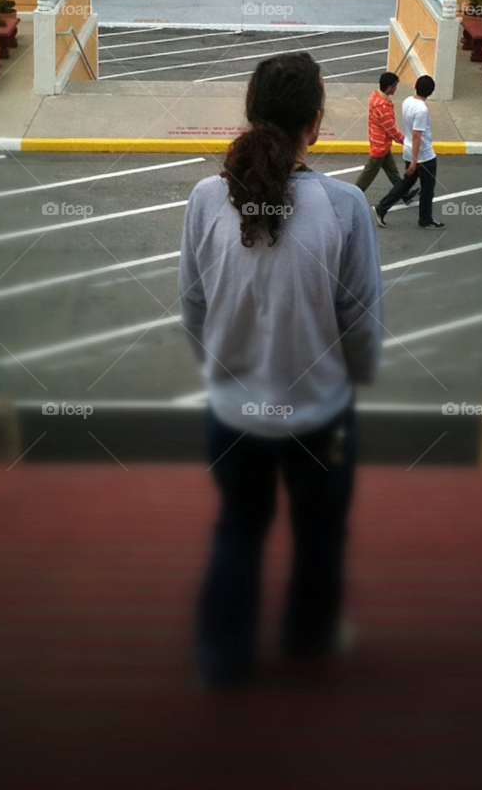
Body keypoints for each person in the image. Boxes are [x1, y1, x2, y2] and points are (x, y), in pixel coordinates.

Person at [179, 51, 384, 689]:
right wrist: (351, 380)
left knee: (238, 527)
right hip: (321, 414)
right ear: (315, 125)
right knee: (320, 534)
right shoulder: (346, 207)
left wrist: (222, 367)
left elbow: (192, 305)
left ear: (250, 115)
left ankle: (223, 654)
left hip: (233, 414)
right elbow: (361, 321)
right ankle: (307, 637)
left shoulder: (206, 198)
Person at [374, 74, 444, 230]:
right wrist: (414, 161)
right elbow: (417, 135)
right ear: (430, 92)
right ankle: (425, 218)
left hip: (408, 150)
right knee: (428, 187)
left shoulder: (407, 102)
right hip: (423, 155)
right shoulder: (422, 110)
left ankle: (382, 208)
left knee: (406, 184)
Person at [355, 71, 416, 203]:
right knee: (367, 176)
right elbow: (391, 130)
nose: (396, 89)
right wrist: (406, 141)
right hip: (380, 146)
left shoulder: (376, 98)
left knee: (392, 172)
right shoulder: (383, 106)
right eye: (395, 86)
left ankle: (404, 194)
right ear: (388, 87)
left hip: (381, 143)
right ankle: (353, 195)